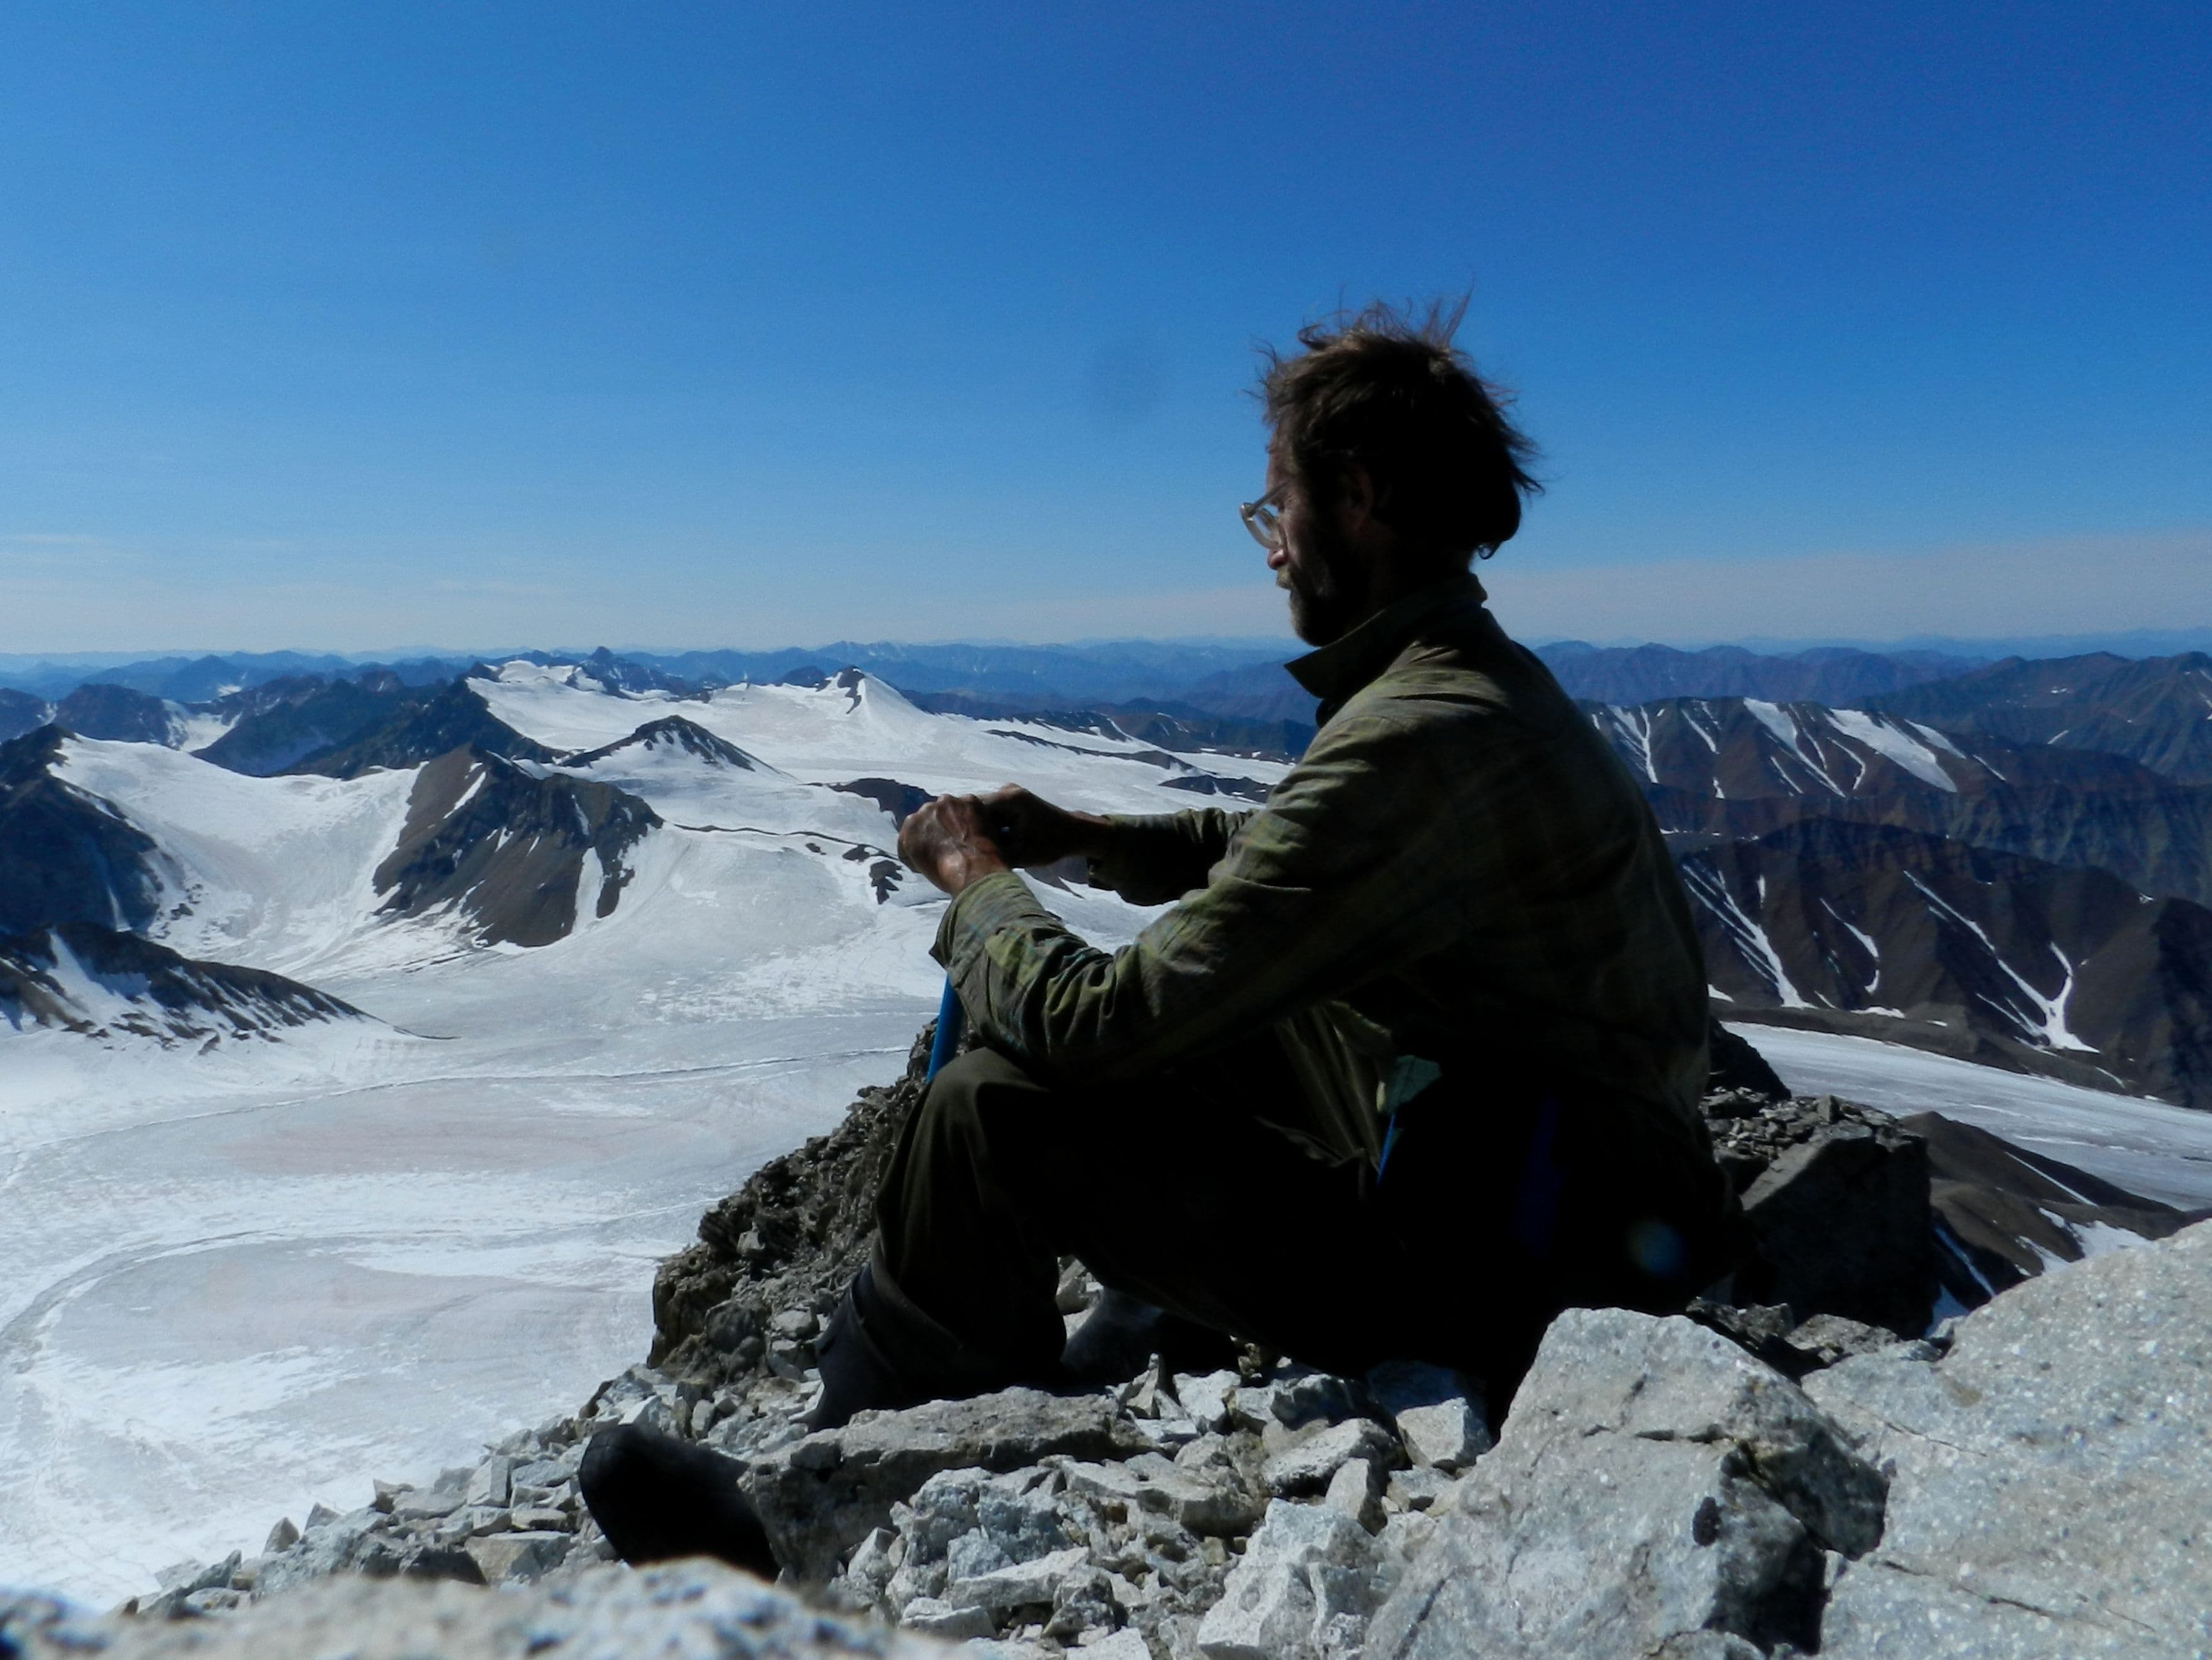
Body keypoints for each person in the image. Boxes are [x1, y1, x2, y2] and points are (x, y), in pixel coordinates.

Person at [581, 300, 1745, 1573]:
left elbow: (1097, 1025)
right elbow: (1278, 859)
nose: (1269, 548)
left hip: (1507, 1279)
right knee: (1180, 993)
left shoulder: (1419, 733)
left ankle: (814, 1502)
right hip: (1543, 1183)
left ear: (1350, 498)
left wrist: (973, 880)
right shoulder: (1466, 690)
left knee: (992, 1101)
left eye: (1273, 509)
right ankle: (1145, 1315)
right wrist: (1084, 833)